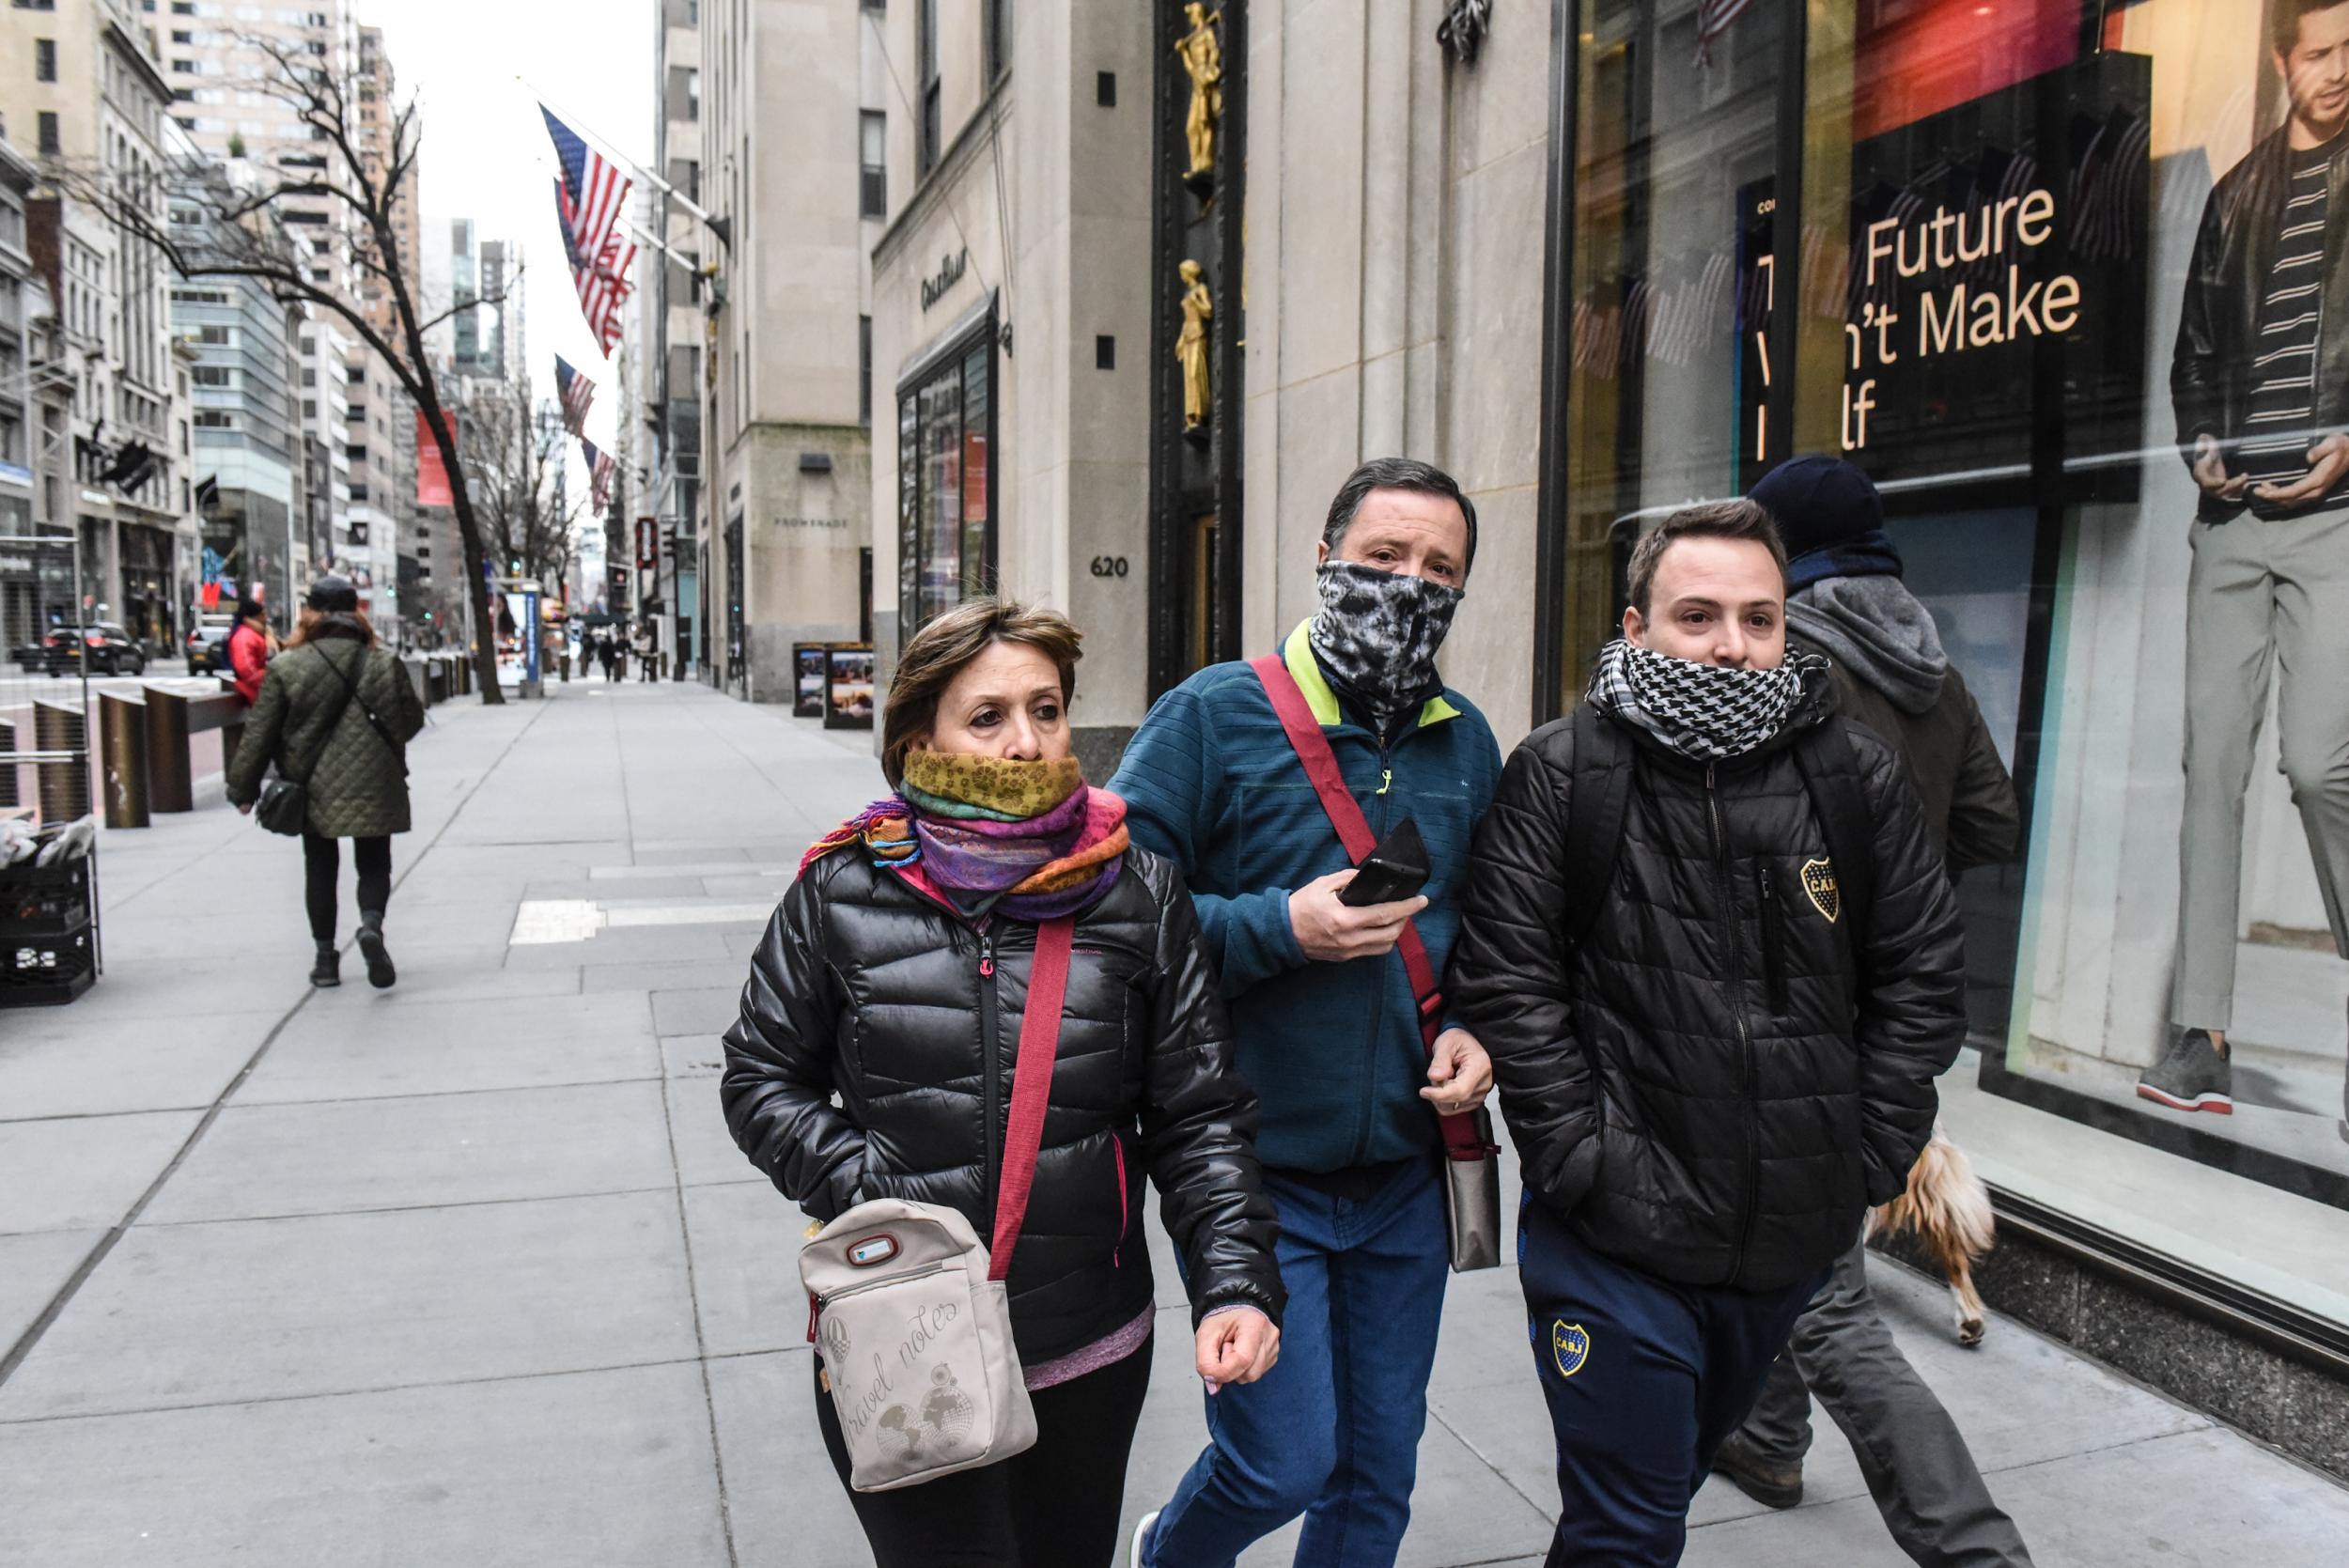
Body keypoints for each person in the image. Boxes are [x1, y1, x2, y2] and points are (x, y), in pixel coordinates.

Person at [1449, 500, 1968, 1567]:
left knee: (1664, 1490)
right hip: (1615, 1240)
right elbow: (1509, 976)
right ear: (1635, 627)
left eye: (1759, 617)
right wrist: (1580, 1155)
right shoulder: (1563, 771)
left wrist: (1864, 1151)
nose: (1732, 644)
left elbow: (1919, 972)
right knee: (1629, 1529)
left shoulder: (1851, 775)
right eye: (1697, 616)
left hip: (1787, 1236)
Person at [721, 598, 1283, 1568]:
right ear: (918, 734)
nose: (1027, 741)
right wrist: (868, 1183)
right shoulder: (843, 887)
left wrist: (1233, 1280)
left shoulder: (1137, 889)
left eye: (1048, 708)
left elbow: (1198, 1114)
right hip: (903, 1333)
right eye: (988, 716)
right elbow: (760, 1076)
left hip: (1086, 1341)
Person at [1114, 457, 1504, 1568]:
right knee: (1280, 1461)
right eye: (1385, 556)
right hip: (1253, 1173)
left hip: (1402, 1180)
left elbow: (1492, 930)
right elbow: (1118, 917)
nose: (1410, 584)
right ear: (1325, 558)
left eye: (1440, 568)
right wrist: (1280, 926)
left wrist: (1475, 1029)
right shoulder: (1212, 716)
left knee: (1377, 1470)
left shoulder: (1464, 740)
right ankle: (1171, 1553)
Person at [1703, 456, 2033, 1568]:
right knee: (1805, 1242)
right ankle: (1767, 1433)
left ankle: (1975, 1546)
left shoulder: (1783, 659)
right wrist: (1909, 881)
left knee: (1824, 1295)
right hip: (1891, 1008)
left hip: (1792, 1006)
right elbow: (1990, 821)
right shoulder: (1932, 672)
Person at [2157, 0, 2349, 1130]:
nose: (2337, 72)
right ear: (2284, 61)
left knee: (2323, 766)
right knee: (2208, 766)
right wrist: (2202, 447)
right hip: (2232, 518)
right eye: (2321, 52)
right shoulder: (2239, 193)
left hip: (2336, 515)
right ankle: (2202, 1032)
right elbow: (2193, 356)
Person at [226, 575, 426, 990]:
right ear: (356, 613)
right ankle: (371, 926)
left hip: (311, 782)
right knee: (373, 861)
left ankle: (326, 959)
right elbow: (410, 720)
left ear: (311, 613)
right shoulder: (383, 661)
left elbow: (260, 732)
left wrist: (243, 790)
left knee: (320, 866)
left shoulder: (287, 666)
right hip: (376, 778)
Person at [226, 597, 272, 706]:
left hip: (257, 694)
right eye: (263, 614)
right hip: (252, 694)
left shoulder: (254, 635)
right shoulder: (245, 637)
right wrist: (271, 679)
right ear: (256, 616)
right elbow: (248, 671)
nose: (266, 618)